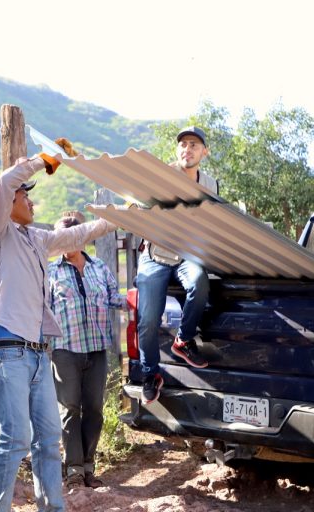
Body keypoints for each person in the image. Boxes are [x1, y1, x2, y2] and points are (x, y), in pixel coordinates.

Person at [0, 151, 117, 512]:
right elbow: (3, 183)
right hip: (9, 350)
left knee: (49, 439)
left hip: (39, 354)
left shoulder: (36, 238)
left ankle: (53, 507)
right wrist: (42, 160)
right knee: (15, 439)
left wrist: (116, 217)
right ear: (7, 201)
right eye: (25, 195)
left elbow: (78, 234)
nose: (31, 202)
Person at [136, 126, 219, 404]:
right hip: (156, 254)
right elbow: (141, 209)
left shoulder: (210, 185)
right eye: (183, 144)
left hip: (186, 256)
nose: (187, 149)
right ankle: (150, 374)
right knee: (148, 320)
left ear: (204, 152)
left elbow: (213, 222)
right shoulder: (162, 177)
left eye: (194, 145)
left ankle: (183, 340)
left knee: (199, 282)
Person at [47, 211, 125, 490]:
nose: (65, 242)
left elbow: (115, 298)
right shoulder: (51, 272)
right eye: (60, 238)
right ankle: (74, 471)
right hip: (65, 350)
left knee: (94, 409)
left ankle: (88, 467)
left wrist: (139, 300)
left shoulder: (99, 267)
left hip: (96, 349)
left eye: (70, 236)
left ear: (82, 237)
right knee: (70, 408)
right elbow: (43, 310)